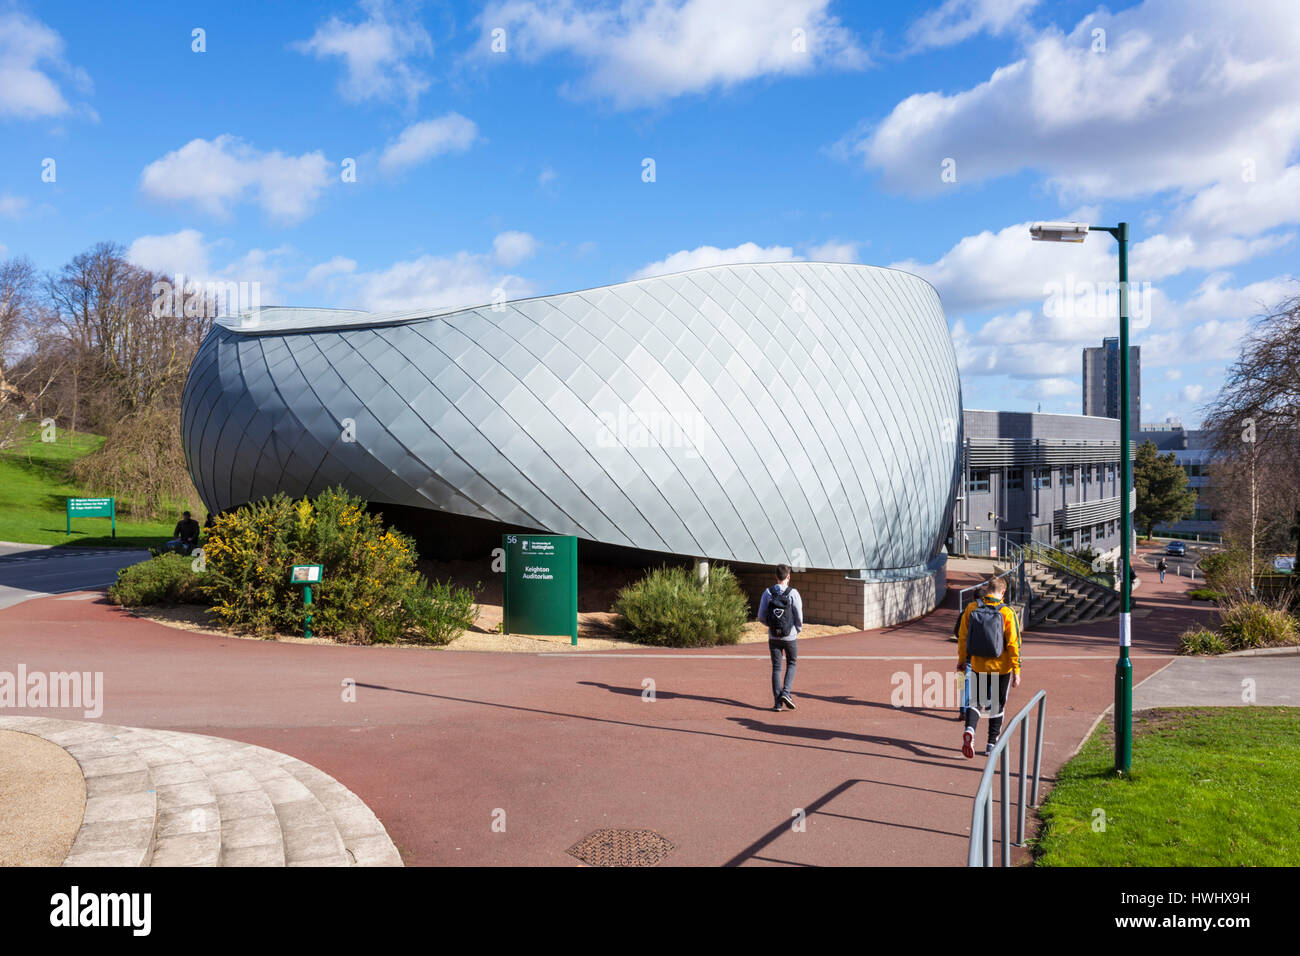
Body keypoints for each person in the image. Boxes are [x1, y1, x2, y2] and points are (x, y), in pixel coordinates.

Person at [954, 575, 1021, 758]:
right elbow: (1014, 643)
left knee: (976, 701)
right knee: (996, 705)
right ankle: (991, 744)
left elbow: (963, 638)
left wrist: (961, 660)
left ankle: (970, 729)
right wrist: (1016, 669)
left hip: (978, 664)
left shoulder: (972, 608)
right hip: (1001, 667)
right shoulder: (1007, 612)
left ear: (986, 589)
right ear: (1003, 592)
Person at [757, 563, 803, 712]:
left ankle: (777, 703)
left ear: (776, 576)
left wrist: (770, 626)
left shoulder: (768, 593)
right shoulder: (793, 593)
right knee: (792, 663)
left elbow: (761, 616)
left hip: (773, 636)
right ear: (788, 576)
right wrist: (797, 629)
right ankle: (786, 693)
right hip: (790, 636)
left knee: (776, 668)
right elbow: (799, 615)